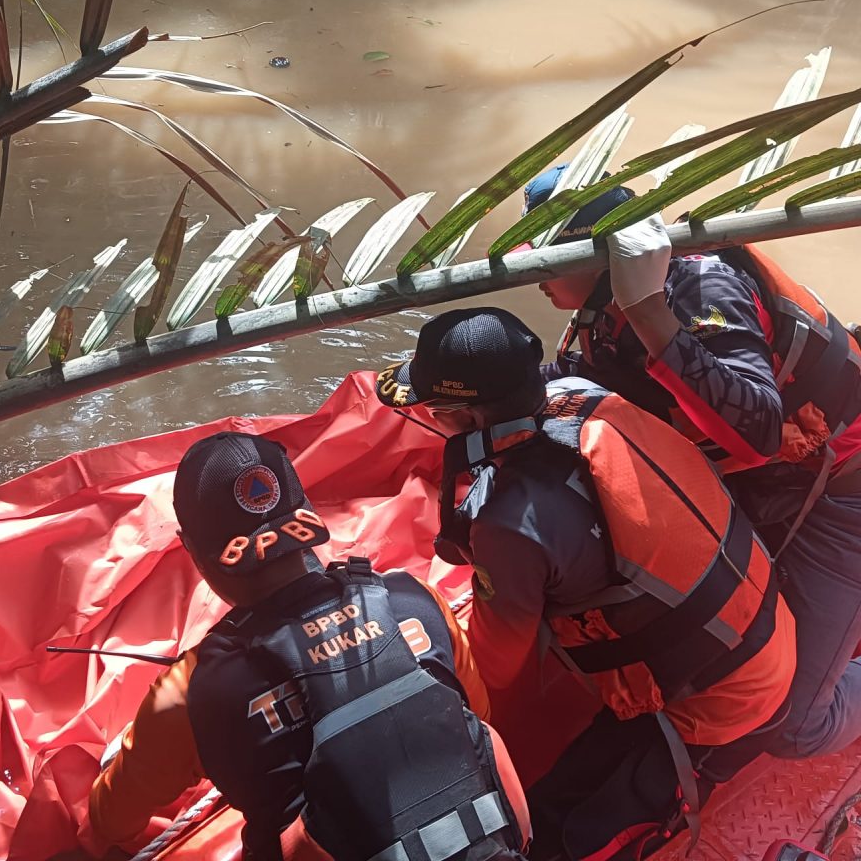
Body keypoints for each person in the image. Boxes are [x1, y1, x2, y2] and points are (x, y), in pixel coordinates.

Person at [374, 307, 797, 861]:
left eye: (437, 410)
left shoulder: (510, 523)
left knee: (560, 837)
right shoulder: (589, 397)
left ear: (473, 418)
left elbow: (496, 667)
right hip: (765, 627)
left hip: (722, 707)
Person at [525, 165, 861, 761]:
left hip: (841, 496)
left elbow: (755, 432)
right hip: (777, 482)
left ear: (604, 258)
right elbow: (600, 382)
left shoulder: (700, 292)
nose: (536, 280)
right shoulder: (605, 314)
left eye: (547, 260)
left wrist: (650, 310)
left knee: (790, 725)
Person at [87, 431, 530, 861]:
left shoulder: (188, 694)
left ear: (191, 550)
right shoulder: (416, 599)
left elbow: (112, 821)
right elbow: (479, 715)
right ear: (307, 514)